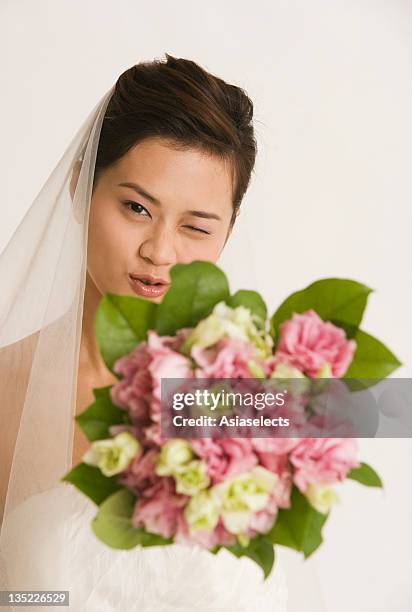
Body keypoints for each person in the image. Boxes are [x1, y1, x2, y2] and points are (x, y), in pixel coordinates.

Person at [0, 54, 324, 611]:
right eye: (135, 208)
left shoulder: (257, 396)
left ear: (229, 230)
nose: (160, 252)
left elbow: (390, 410)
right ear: (82, 187)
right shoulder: (6, 392)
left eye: (196, 227)